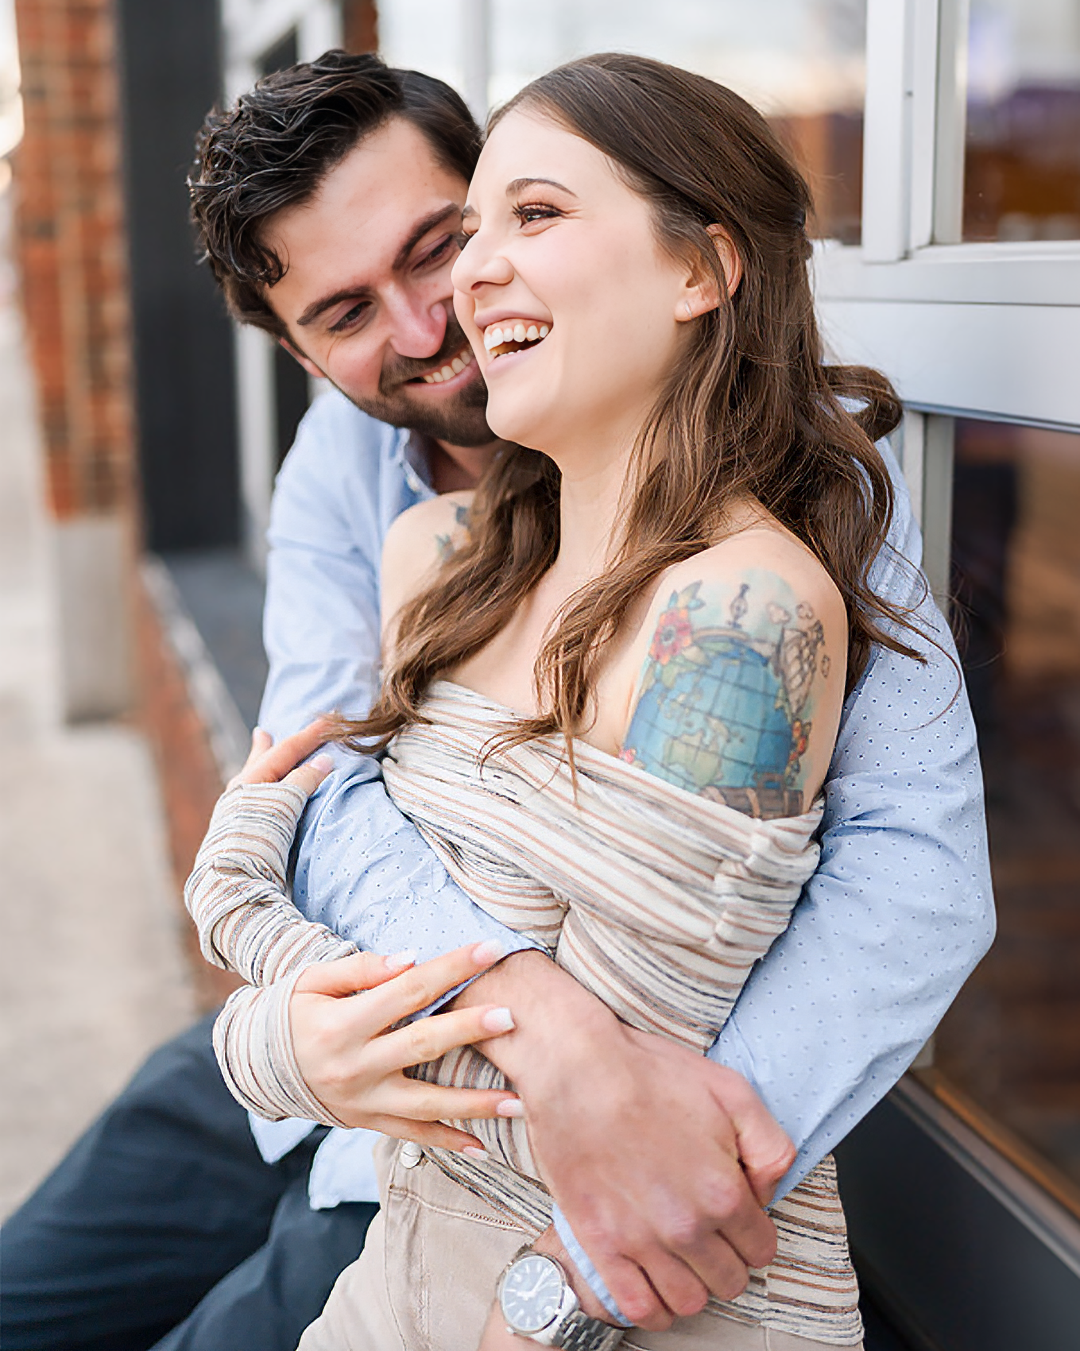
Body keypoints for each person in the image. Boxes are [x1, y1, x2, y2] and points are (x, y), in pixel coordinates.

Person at [0, 50, 993, 1351]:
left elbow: (913, 876)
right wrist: (494, 1024)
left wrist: (633, 1173)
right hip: (331, 1050)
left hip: (495, 1173)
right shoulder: (359, 481)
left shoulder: (785, 516)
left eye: (437, 245)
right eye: (345, 314)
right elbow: (315, 794)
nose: (426, 329)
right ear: (293, 350)